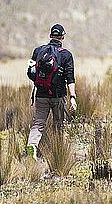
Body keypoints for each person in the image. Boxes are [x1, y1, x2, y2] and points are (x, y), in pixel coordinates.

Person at [26, 23, 77, 159]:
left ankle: (32, 145)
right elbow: (70, 78)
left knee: (38, 123)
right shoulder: (66, 55)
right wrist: (72, 97)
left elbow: (30, 72)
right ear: (62, 37)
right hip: (58, 96)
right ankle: (58, 155)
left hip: (40, 94)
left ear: (50, 36)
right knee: (58, 125)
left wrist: (41, 84)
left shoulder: (38, 51)